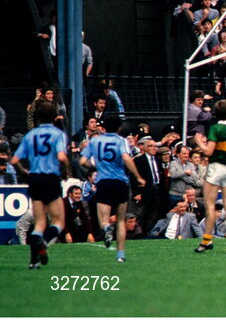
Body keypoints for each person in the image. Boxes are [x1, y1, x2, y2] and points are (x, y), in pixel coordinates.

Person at [10, 100, 68, 269]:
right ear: (55, 117)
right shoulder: (57, 134)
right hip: (50, 177)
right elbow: (62, 157)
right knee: (57, 222)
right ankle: (43, 241)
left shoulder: (31, 135)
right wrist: (64, 170)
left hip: (35, 179)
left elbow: (14, 159)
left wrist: (24, 171)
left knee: (39, 223)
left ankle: (34, 261)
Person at [80, 115, 144, 262]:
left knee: (103, 217)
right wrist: (138, 176)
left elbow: (83, 161)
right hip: (120, 181)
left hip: (103, 181)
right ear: (119, 128)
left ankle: (107, 227)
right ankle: (120, 255)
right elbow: (127, 158)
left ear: (103, 127)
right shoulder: (121, 140)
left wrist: (95, 167)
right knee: (121, 220)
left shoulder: (95, 141)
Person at [192, 100, 226, 256]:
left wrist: (198, 143)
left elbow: (208, 151)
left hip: (216, 167)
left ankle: (207, 239)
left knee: (210, 205)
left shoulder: (215, 128)